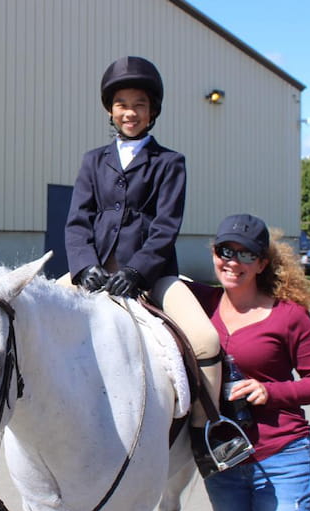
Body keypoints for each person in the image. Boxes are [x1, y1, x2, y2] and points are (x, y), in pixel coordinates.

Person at [64, 56, 245, 470]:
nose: (130, 112)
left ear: (153, 111)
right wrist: (83, 267)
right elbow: (77, 221)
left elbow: (166, 227)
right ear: (110, 110)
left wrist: (135, 271)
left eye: (140, 104)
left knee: (205, 341)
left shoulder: (170, 162)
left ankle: (208, 433)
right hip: (93, 273)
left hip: (150, 274)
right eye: (122, 103)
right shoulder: (94, 160)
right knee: (33, 318)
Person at [186, 213, 310, 511]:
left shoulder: (289, 316)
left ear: (262, 263)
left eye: (244, 254)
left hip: (283, 459)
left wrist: (270, 392)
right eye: (224, 251)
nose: (231, 261)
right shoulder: (200, 305)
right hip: (224, 464)